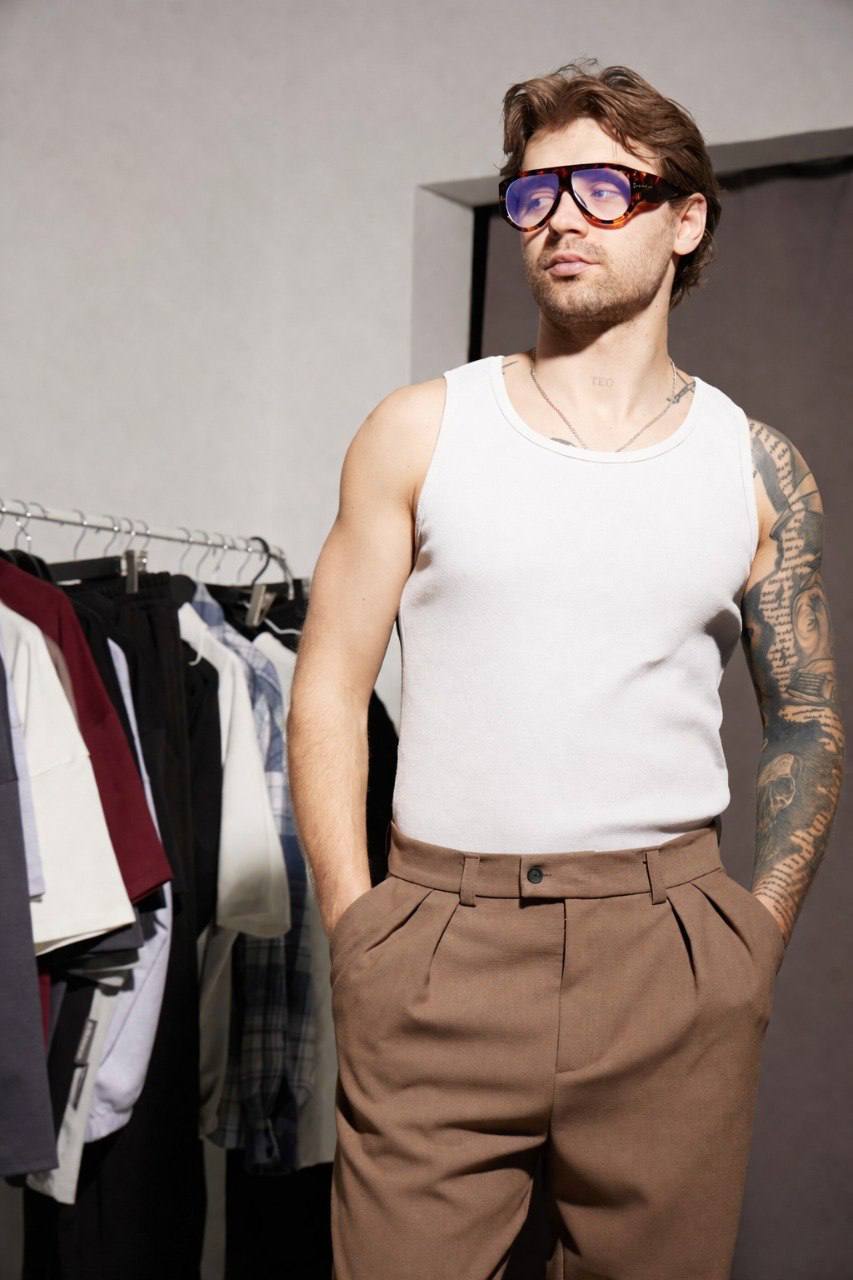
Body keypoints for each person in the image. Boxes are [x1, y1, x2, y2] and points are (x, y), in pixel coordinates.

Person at [286, 58, 844, 1280]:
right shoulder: (420, 428)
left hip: (667, 955)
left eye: (602, 187)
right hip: (437, 944)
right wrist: (357, 927)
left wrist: (752, 939)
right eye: (534, 194)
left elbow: (805, 718)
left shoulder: (756, 467)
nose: (560, 219)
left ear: (683, 218)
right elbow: (325, 685)